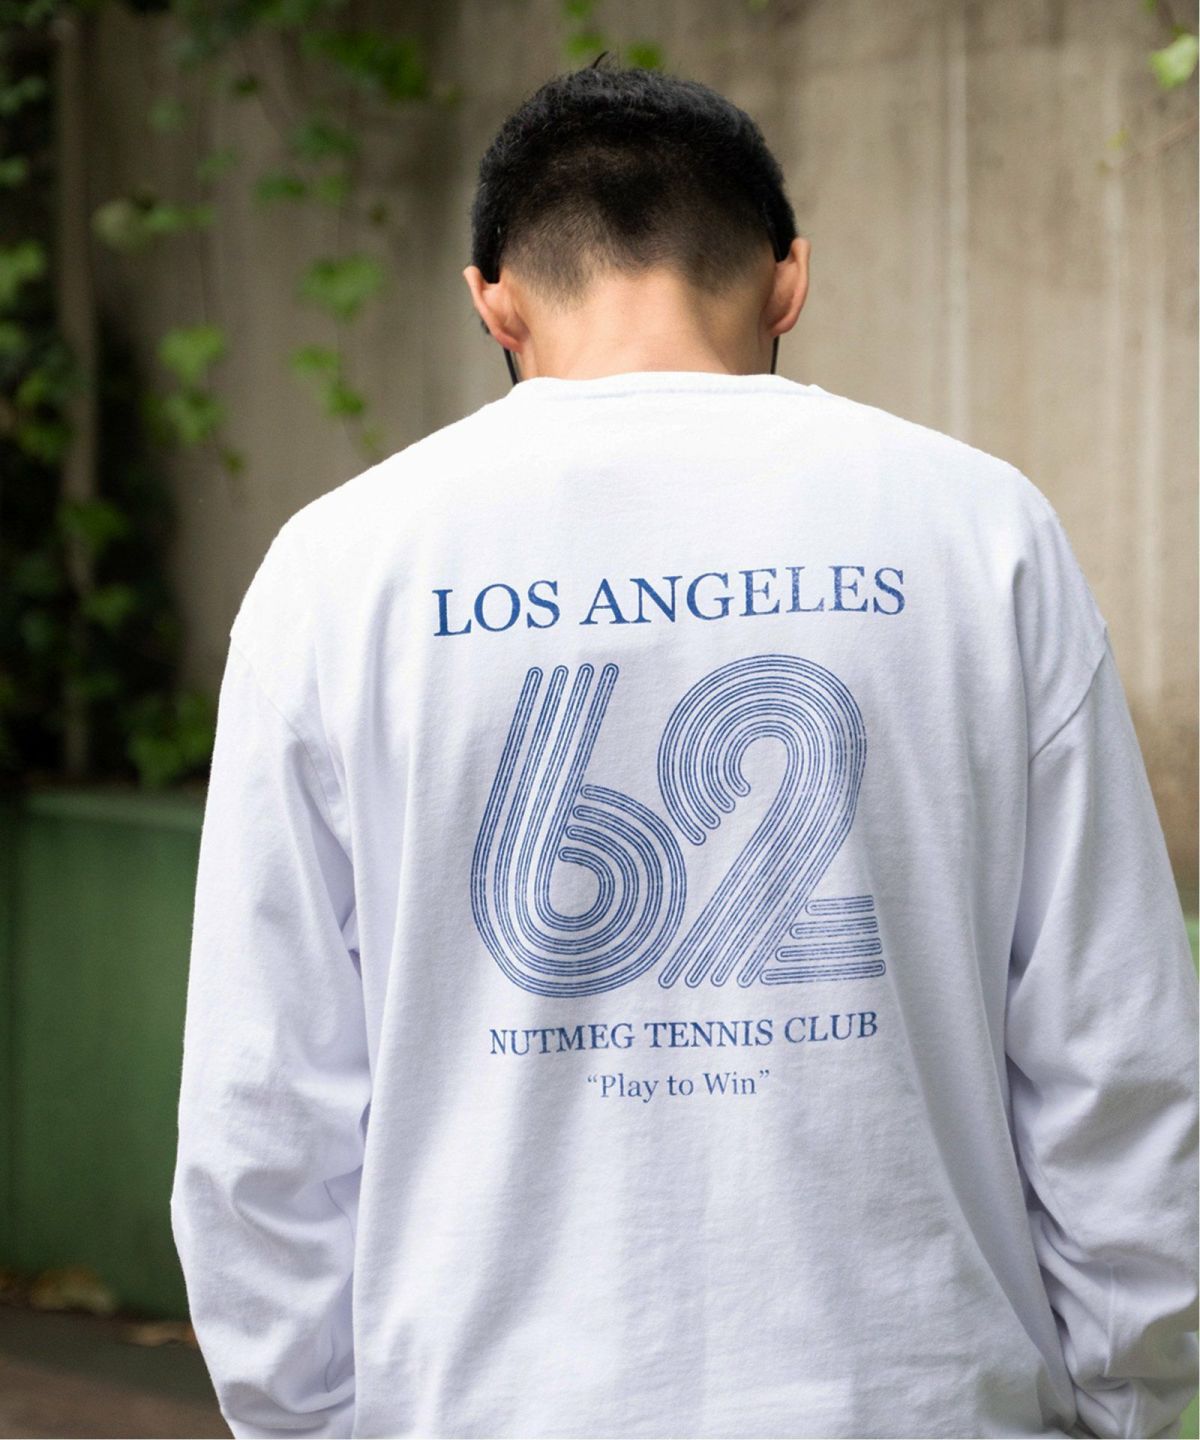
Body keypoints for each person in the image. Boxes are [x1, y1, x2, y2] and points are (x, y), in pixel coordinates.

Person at [169, 58, 1199, 1440]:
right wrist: (1131, 1396)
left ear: (493, 302)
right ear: (789, 282)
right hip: (921, 1400)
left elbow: (263, 1104)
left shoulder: (340, 570)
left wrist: (301, 1421)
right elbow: (1111, 1039)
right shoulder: (979, 531)